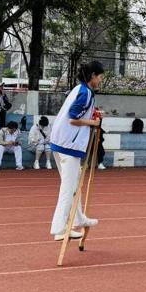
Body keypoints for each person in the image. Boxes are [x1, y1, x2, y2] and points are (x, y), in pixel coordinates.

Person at [49, 61, 104, 242]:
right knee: (68, 188)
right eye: (100, 77)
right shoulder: (85, 93)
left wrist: (92, 113)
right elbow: (73, 118)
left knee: (74, 185)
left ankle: (79, 218)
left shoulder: (79, 89)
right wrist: (93, 123)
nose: (101, 80)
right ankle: (59, 228)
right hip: (69, 145)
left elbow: (79, 112)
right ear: (93, 76)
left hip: (60, 142)